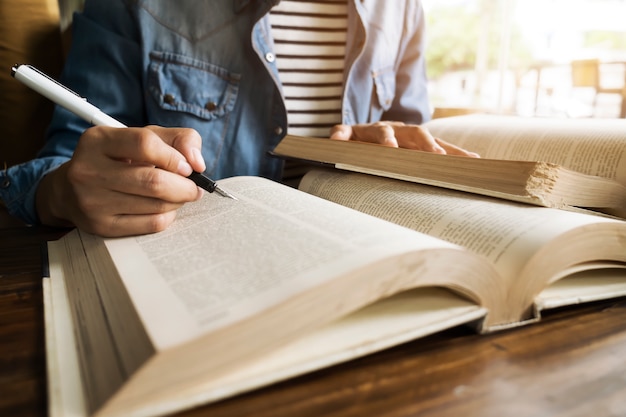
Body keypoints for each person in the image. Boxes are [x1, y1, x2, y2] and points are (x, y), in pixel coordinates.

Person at [0, 0, 477, 237]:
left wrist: (394, 154)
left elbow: (412, 136)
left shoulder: (402, 9)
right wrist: (61, 191)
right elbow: (58, 166)